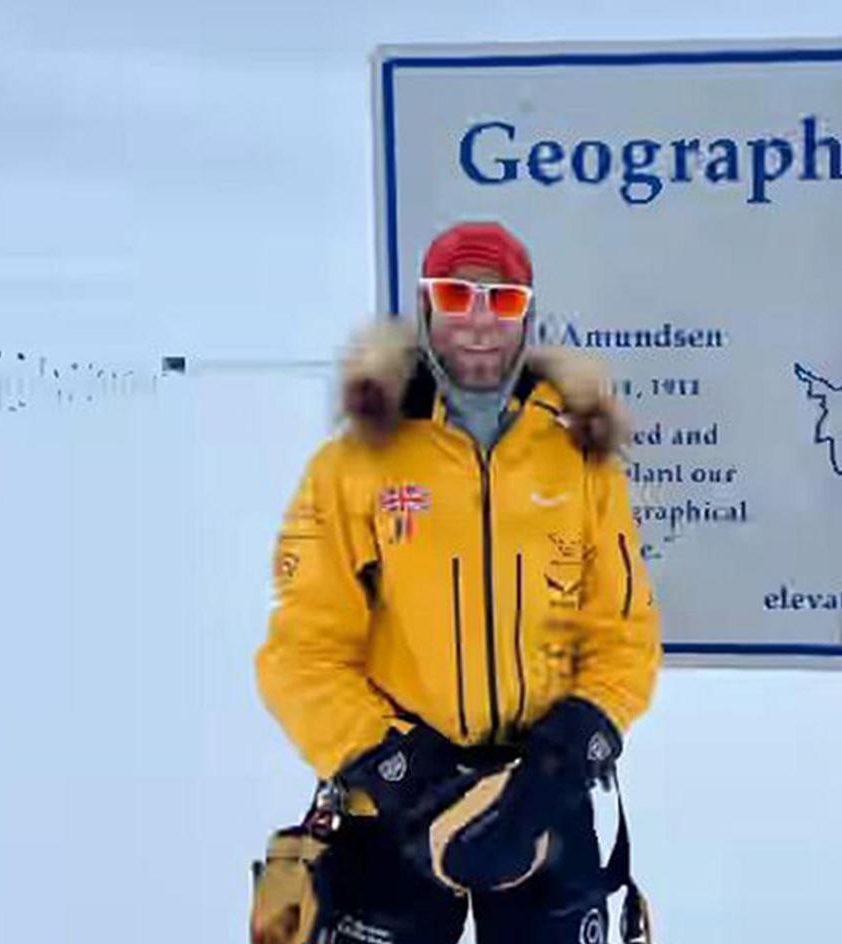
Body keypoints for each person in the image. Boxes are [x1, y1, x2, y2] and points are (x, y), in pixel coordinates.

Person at [254, 220, 661, 944]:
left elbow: (624, 634)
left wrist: (575, 742)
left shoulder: (580, 459)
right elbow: (302, 653)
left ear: (527, 315)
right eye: (457, 295)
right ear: (426, 308)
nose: (478, 320)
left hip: (544, 804)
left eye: (500, 301)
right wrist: (396, 765)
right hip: (393, 813)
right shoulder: (353, 465)